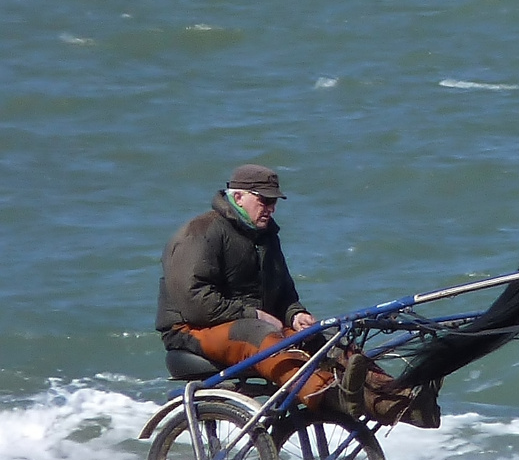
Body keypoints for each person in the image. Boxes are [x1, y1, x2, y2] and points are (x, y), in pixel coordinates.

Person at [155, 164, 437, 426]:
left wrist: (296, 314)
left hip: (248, 325)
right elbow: (194, 302)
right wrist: (253, 315)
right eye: (264, 200)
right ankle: (328, 394)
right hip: (192, 329)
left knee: (323, 339)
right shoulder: (199, 232)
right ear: (238, 197)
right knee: (258, 335)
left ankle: (400, 401)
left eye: (274, 202)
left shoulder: (266, 238)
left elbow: (284, 293)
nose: (270, 208)